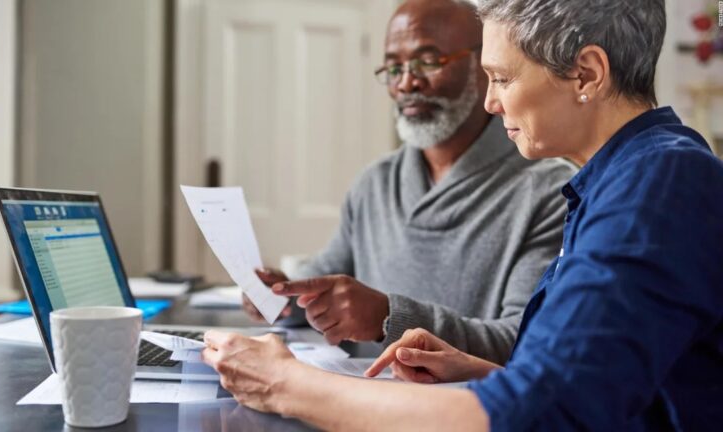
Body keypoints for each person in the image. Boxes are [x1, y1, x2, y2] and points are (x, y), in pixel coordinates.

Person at [202, 0, 723, 430]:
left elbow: (542, 412)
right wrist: (477, 371)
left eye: (501, 78)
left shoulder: (658, 183)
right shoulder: (617, 181)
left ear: (586, 73)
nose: (491, 102)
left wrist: (288, 384)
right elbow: (593, 384)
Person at [244, 0, 575, 364]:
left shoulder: (551, 192)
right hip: (358, 391)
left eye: (428, 61)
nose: (406, 83)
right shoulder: (375, 183)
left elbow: (524, 338)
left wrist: (389, 318)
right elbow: (326, 279)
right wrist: (283, 295)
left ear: (483, 66)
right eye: (394, 67)